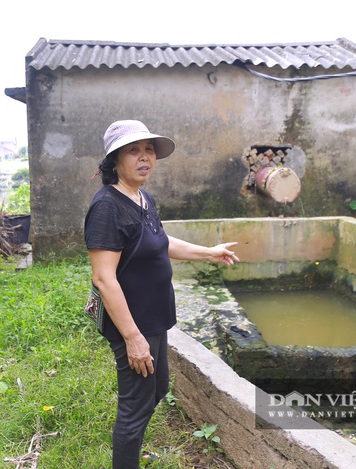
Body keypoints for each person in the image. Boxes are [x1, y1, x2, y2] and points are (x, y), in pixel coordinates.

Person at [84, 120, 239, 468]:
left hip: (153, 319)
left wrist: (209, 252)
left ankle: (132, 451)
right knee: (135, 406)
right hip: (133, 324)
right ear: (115, 160)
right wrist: (132, 338)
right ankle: (127, 458)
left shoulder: (141, 197)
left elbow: (161, 243)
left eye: (149, 150)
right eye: (133, 151)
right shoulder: (107, 207)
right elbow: (104, 278)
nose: (144, 157)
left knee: (156, 390)